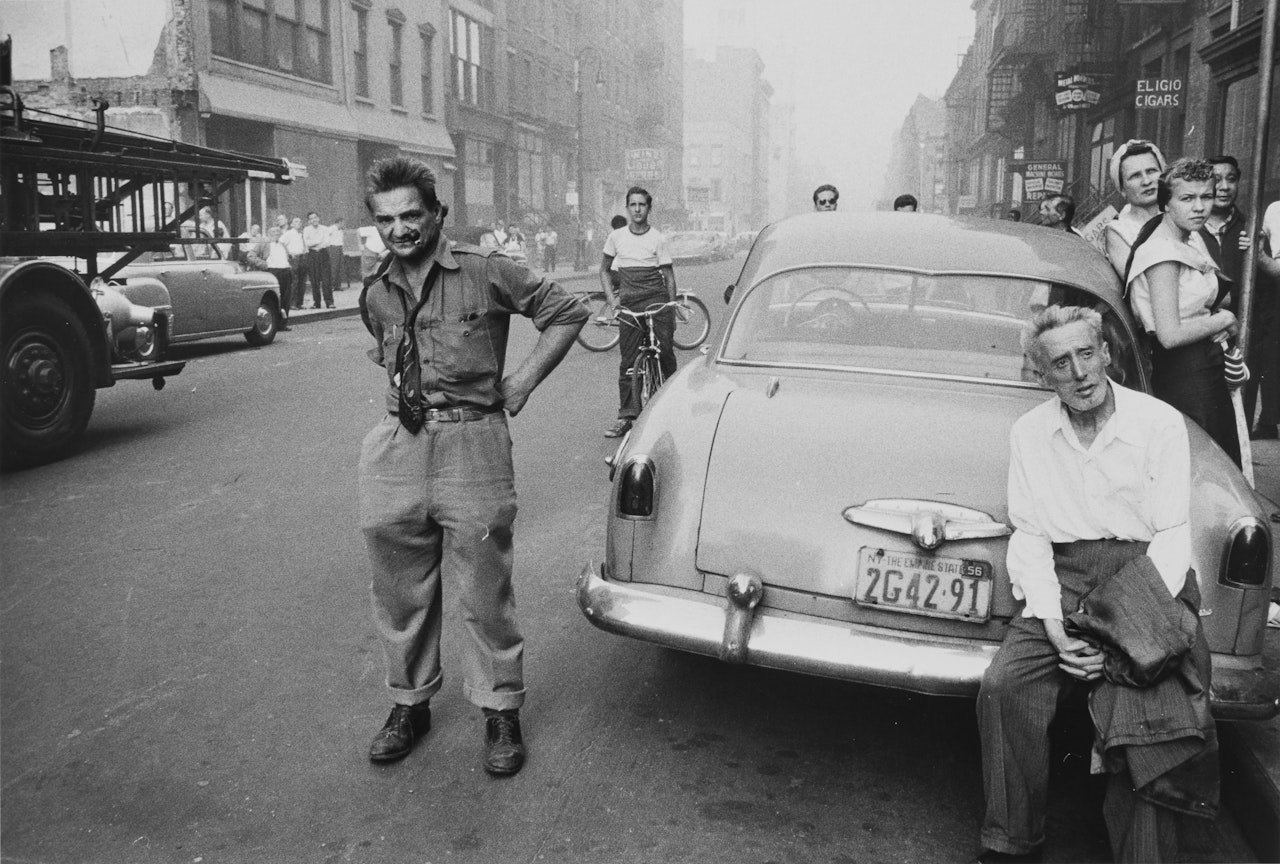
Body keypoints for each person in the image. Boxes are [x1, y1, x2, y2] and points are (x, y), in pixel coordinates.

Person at [356, 156, 587, 774]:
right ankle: (409, 705)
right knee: (398, 585)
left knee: (485, 587)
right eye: (387, 219)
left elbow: (566, 312)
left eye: (411, 214)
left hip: (473, 443)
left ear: (437, 214)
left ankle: (500, 711)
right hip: (397, 445)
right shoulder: (375, 290)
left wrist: (523, 382)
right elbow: (385, 351)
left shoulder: (486, 273)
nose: (401, 229)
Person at [974, 304, 1217, 864]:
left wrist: (1120, 635)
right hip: (1065, 577)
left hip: (1147, 577)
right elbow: (1031, 535)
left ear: (1107, 354)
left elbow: (1173, 534)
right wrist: (1057, 630)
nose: (1080, 373)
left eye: (1087, 354)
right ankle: (1012, 841)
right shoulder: (1029, 433)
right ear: (1041, 375)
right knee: (1006, 687)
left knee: (1150, 709)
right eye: (1061, 362)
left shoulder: (1158, 423)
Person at [1125, 158, 1241, 467]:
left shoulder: (1187, 240)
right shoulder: (1162, 253)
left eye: (1206, 196)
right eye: (1187, 198)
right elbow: (1169, 335)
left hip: (1204, 366)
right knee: (1203, 467)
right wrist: (1224, 320)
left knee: (1216, 464)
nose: (1200, 206)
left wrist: (1215, 318)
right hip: (1185, 375)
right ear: (1166, 202)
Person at [600, 186, 677, 438]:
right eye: (632, 205)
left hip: (656, 300)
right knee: (628, 363)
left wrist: (671, 306)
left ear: (648, 208)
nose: (637, 209)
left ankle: (672, 409)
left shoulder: (658, 238)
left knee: (665, 352)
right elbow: (603, 270)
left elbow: (668, 275)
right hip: (629, 305)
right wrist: (613, 301)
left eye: (641, 205)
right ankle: (627, 416)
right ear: (627, 208)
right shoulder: (616, 237)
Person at [1104, 139, 1167, 278]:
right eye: (1135, 176)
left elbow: (1221, 289)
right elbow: (1139, 286)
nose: (1146, 181)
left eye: (1151, 171)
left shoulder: (1179, 218)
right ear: (1122, 189)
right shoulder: (1118, 231)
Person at [1253, 199, 1280, 440]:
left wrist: (1262, 258)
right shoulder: (1274, 209)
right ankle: (1269, 420)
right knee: (1272, 358)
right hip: (1275, 293)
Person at [247, 225, 293, 330]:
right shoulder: (264, 244)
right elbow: (250, 256)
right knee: (275, 298)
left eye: (278, 232)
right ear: (268, 234)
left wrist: (290, 266)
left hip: (285, 272)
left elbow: (287, 257)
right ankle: (274, 324)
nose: (276, 234)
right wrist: (264, 264)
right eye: (273, 232)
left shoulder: (283, 245)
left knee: (285, 299)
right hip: (273, 272)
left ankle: (283, 324)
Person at [303, 211, 334, 309]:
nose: (314, 220)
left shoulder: (325, 229)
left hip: (323, 254)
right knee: (314, 280)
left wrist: (315, 243)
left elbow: (327, 242)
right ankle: (317, 303)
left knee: (326, 279)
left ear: (319, 218)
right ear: (309, 221)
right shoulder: (306, 230)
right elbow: (306, 243)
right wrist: (317, 241)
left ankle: (329, 302)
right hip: (312, 255)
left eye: (315, 217)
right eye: (311, 218)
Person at [282, 216, 308, 310]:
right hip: (294, 258)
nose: (299, 223)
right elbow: (282, 243)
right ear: (292, 224)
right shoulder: (288, 233)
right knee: (294, 281)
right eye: (296, 222)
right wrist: (288, 254)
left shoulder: (301, 234)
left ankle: (299, 303)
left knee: (302, 281)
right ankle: (292, 303)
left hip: (302, 257)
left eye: (300, 222)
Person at [328, 217, 347, 291]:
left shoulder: (341, 230)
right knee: (334, 267)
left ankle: (337, 285)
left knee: (340, 267)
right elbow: (326, 236)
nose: (344, 224)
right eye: (343, 223)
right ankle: (332, 285)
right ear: (339, 222)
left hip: (340, 248)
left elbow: (342, 240)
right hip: (333, 248)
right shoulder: (331, 228)